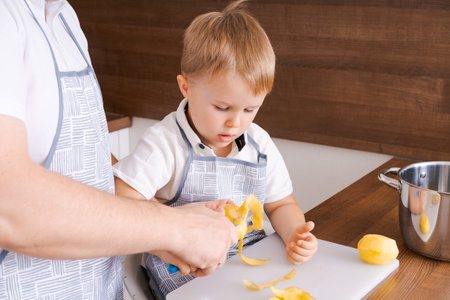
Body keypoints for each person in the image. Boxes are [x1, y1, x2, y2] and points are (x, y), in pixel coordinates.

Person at [0, 0, 237, 299]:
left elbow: (87, 160)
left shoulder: (64, 18)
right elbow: (8, 204)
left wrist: (160, 222)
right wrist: (175, 228)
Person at [113, 0, 318, 297]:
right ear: (186, 87)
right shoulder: (165, 143)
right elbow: (121, 199)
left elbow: (281, 204)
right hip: (185, 270)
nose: (235, 123)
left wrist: (294, 234)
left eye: (250, 109)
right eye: (222, 107)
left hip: (248, 265)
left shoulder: (259, 143)